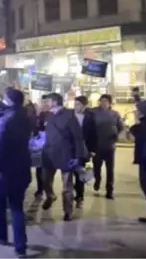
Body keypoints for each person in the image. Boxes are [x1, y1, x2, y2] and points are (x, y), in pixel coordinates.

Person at [0, 88, 31, 258]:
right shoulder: (25, 118)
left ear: (9, 101)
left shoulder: (5, 120)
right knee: (17, 208)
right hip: (21, 168)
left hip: (3, 169)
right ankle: (20, 247)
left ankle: (1, 234)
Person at [41, 93, 87, 221]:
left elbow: (78, 137)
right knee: (45, 180)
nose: (46, 103)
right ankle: (50, 196)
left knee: (67, 186)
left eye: (48, 101)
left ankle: (68, 211)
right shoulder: (49, 115)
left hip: (67, 155)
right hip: (49, 154)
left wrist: (78, 156)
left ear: (55, 102)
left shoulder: (69, 115)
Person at [92, 94, 123, 199]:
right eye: (102, 101)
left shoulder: (115, 114)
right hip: (96, 146)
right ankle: (97, 181)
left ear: (110, 103)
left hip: (109, 146)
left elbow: (121, 127)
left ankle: (109, 191)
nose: (103, 103)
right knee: (96, 168)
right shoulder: (93, 112)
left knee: (110, 170)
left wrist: (115, 136)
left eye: (106, 101)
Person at [72, 96, 97, 208]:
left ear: (84, 105)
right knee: (70, 173)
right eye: (75, 104)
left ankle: (79, 197)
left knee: (81, 174)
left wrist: (92, 150)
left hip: (84, 150)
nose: (75, 106)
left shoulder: (90, 117)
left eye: (78, 104)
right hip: (71, 149)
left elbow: (94, 134)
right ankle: (72, 192)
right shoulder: (70, 116)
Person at [131, 100, 146, 222]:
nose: (136, 112)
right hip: (145, 160)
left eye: (137, 110)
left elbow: (143, 137)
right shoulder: (145, 122)